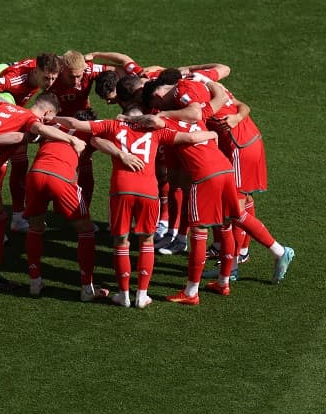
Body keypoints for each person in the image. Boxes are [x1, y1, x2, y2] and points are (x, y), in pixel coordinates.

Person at [135, 80, 295, 303]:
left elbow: (157, 124)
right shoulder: (201, 113)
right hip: (224, 168)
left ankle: (191, 292)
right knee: (230, 219)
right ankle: (228, 279)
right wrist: (210, 84)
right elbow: (219, 96)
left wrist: (133, 120)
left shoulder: (165, 122)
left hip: (204, 176)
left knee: (199, 231)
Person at [54, 108, 217, 308]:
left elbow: (76, 125)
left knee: (121, 241)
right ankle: (142, 295)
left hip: (121, 189)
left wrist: (52, 118)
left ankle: (123, 295)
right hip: (149, 190)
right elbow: (191, 138)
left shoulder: (113, 125)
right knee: (147, 241)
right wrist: (212, 133)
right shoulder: (157, 131)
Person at [0, 88, 86, 290]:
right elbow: (33, 132)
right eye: (50, 118)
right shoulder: (30, 119)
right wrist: (72, 139)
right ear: (47, 113)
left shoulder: (5, 106)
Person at [22, 110, 112, 302]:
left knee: (35, 226)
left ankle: (34, 282)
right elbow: (100, 141)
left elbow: (32, 134)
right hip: (61, 176)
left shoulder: (54, 126)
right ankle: (87, 288)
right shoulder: (88, 131)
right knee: (86, 230)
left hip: (36, 173)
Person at [0, 53, 63, 233]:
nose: (50, 83)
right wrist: (8, 107)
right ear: (36, 72)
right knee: (0, 168)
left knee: (20, 164)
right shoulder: (16, 80)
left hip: (16, 116)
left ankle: (18, 218)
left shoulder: (44, 70)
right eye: (46, 78)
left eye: (53, 78)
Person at [46, 50, 118, 208]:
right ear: (62, 68)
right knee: (57, 166)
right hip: (57, 124)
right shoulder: (50, 76)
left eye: (79, 76)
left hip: (83, 122)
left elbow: (119, 70)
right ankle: (58, 208)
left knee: (85, 166)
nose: (77, 81)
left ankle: (83, 208)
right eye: (71, 76)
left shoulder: (89, 69)